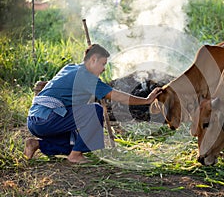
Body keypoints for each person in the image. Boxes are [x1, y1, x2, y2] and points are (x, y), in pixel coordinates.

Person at [24, 44, 162, 164]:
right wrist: (146, 100)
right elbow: (117, 96)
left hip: (35, 120)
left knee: (73, 143)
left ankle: (36, 144)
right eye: (102, 64)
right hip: (48, 119)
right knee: (95, 110)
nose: (103, 69)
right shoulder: (86, 77)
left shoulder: (70, 68)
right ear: (93, 59)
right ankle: (75, 156)